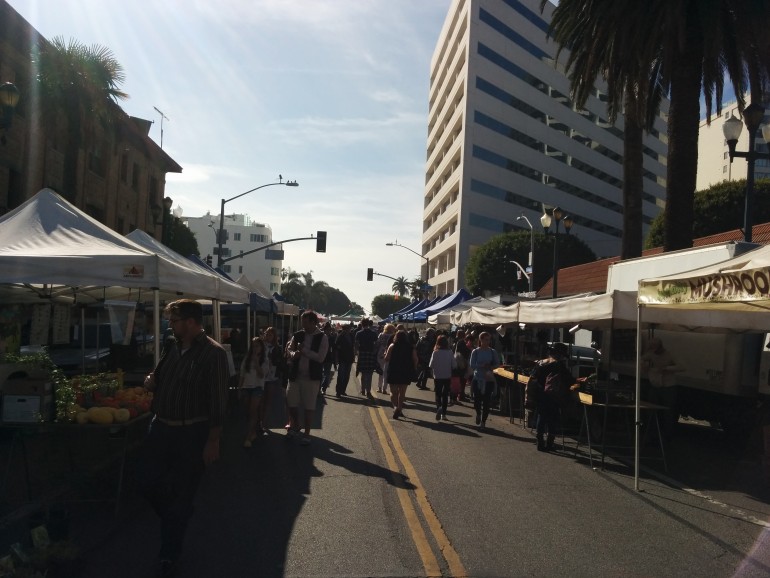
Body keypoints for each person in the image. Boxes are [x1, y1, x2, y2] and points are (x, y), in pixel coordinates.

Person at [136, 299, 229, 577]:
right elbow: (159, 376)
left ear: (190, 322)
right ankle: (177, 514)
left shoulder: (213, 353)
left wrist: (213, 441)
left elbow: (219, 402)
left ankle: (169, 554)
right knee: (145, 482)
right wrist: (151, 380)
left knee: (181, 494)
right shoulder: (171, 346)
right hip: (160, 428)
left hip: (191, 434)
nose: (170, 325)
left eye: (173, 321)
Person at [285, 310, 329, 445]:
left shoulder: (322, 337)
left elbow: (320, 358)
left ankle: (307, 433)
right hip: (295, 375)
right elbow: (289, 349)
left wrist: (304, 351)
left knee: (309, 407)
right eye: (302, 322)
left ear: (313, 322)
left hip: (311, 378)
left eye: (305, 322)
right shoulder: (298, 335)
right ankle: (296, 424)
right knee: (291, 403)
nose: (303, 325)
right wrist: (294, 354)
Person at [530, 342, 576, 452]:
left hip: (540, 393)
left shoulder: (540, 363)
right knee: (553, 419)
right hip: (553, 395)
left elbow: (532, 377)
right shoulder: (559, 365)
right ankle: (550, 443)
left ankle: (540, 441)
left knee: (541, 417)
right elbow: (569, 380)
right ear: (560, 354)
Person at [642, 337, 683, 437]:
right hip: (656, 385)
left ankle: (668, 435)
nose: (655, 352)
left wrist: (666, 368)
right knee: (651, 410)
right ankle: (652, 434)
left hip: (669, 386)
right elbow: (642, 359)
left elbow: (681, 366)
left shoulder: (669, 354)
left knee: (668, 412)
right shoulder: (651, 354)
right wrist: (644, 364)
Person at [239, 336, 268, 448]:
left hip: (257, 387)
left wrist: (256, 362)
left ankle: (248, 437)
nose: (255, 348)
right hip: (246, 387)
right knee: (248, 411)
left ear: (261, 347)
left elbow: (262, 375)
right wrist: (239, 388)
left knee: (253, 410)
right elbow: (242, 374)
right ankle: (253, 431)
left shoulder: (264, 360)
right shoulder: (247, 358)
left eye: (257, 346)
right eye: (254, 346)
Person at [469, 331, 500, 431]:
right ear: (481, 340)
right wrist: (481, 365)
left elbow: (497, 364)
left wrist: (491, 367)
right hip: (478, 378)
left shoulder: (492, 352)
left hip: (488, 379)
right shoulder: (476, 351)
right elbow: (472, 365)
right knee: (477, 401)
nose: (488, 342)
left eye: (489, 340)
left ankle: (483, 422)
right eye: (486, 339)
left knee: (486, 402)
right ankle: (478, 413)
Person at [385, 329, 418, 419]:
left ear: (396, 337)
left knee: (393, 392)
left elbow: (387, 358)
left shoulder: (392, 345)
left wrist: (385, 355)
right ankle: (400, 408)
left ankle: (395, 407)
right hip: (405, 371)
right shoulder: (410, 347)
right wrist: (414, 368)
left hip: (394, 370)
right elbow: (415, 359)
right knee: (402, 392)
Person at [258, 326, 284, 435]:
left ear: (274, 336)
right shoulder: (260, 345)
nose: (268, 336)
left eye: (270, 334)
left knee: (268, 401)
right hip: (261, 376)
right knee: (260, 400)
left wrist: (273, 360)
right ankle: (259, 423)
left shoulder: (277, 348)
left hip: (272, 376)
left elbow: (281, 362)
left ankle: (264, 423)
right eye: (267, 334)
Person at [429, 335, 456, 421]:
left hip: (437, 376)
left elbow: (431, 365)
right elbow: (454, 365)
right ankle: (443, 414)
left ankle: (439, 407)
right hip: (447, 376)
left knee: (438, 393)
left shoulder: (435, 352)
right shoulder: (450, 352)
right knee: (445, 395)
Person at [355, 318, 379, 398]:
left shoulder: (359, 333)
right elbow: (376, 344)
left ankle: (363, 390)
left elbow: (356, 344)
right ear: (368, 324)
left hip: (362, 354)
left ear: (362, 324)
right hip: (370, 354)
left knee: (363, 373)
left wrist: (356, 353)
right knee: (369, 374)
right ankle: (368, 391)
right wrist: (374, 351)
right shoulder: (373, 333)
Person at [334, 324, 354, 397]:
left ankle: (343, 390)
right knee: (341, 375)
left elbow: (353, 346)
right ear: (345, 329)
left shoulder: (351, 336)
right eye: (348, 329)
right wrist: (336, 358)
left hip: (349, 358)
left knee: (346, 376)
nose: (349, 330)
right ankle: (338, 391)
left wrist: (353, 356)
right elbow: (336, 348)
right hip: (342, 358)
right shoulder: (340, 336)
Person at [376, 324, 396, 394]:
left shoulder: (381, 335)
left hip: (380, 354)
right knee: (386, 372)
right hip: (389, 354)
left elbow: (377, 344)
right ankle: (384, 388)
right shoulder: (393, 336)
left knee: (381, 372)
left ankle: (379, 387)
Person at [320, 322, 337, 395]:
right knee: (322, 374)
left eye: (330, 330)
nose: (329, 331)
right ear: (325, 329)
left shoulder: (331, 338)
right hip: (321, 357)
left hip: (328, 357)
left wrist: (335, 361)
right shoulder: (321, 337)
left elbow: (334, 349)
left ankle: (323, 388)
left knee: (326, 374)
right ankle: (321, 388)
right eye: (328, 330)